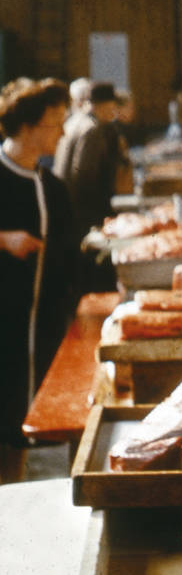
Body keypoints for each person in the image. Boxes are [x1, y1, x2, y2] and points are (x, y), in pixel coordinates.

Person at [0, 78, 75, 483]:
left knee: (19, 432)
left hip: (37, 331)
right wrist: (2, 240)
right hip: (4, 330)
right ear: (28, 126)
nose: (62, 132)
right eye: (55, 123)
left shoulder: (52, 187)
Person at [52, 81, 124, 241]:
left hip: (63, 200)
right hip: (79, 208)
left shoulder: (73, 121)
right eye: (112, 108)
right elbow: (84, 175)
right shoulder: (92, 128)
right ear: (105, 105)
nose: (113, 113)